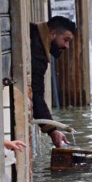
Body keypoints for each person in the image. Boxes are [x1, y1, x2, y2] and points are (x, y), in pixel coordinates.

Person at [30, 16, 76, 147]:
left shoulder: (33, 33)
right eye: (66, 40)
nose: (67, 46)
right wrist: (52, 131)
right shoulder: (37, 51)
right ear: (52, 33)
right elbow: (35, 94)